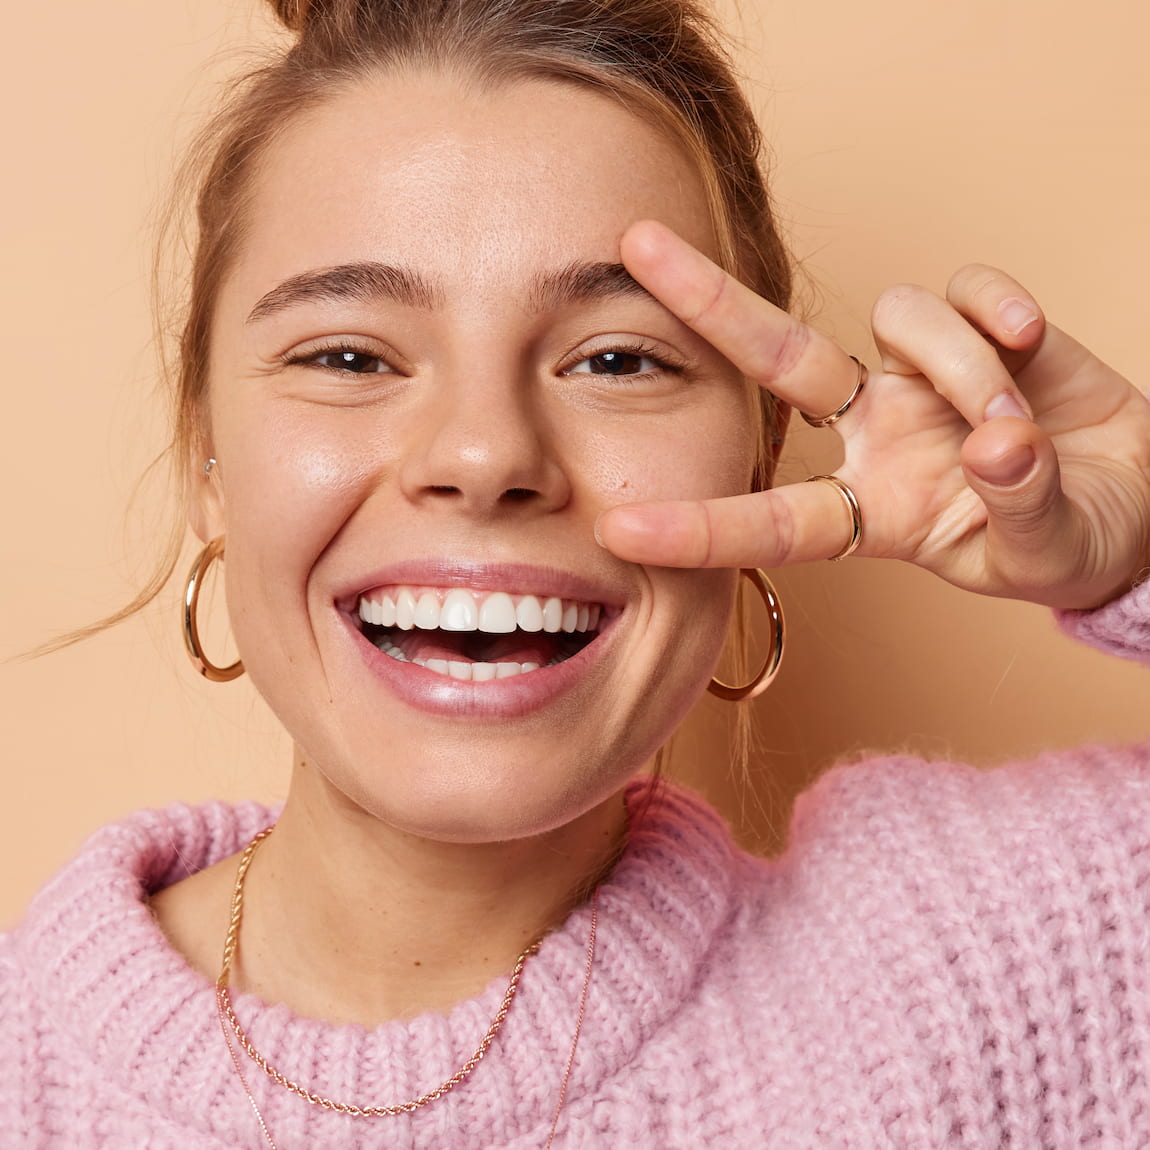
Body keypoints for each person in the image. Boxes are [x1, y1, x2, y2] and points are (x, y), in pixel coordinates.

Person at [3, 0, 1149, 1146]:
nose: (486, 455)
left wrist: (1137, 556)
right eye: (349, 355)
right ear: (207, 455)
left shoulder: (1002, 964)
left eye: (616, 358)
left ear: (757, 460)